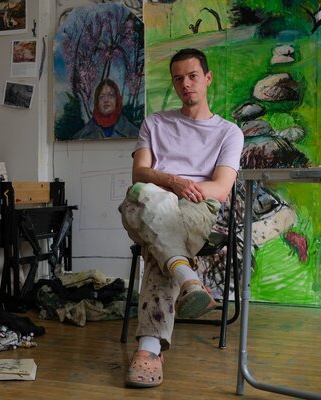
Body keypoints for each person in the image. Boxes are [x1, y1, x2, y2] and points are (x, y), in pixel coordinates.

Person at [118, 48, 244, 388]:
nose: (185, 84)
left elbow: (220, 188)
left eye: (192, 76)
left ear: (207, 78)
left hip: (197, 208)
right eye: (178, 79)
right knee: (142, 197)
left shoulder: (229, 132)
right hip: (148, 203)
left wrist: (184, 190)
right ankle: (188, 278)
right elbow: (139, 174)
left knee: (159, 239)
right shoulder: (155, 123)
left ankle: (149, 348)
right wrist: (172, 182)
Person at [74, 78, 139, 140]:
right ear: (97, 102)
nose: (106, 100)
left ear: (117, 100)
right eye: (102, 97)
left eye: (111, 95)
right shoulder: (82, 136)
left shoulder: (133, 132)